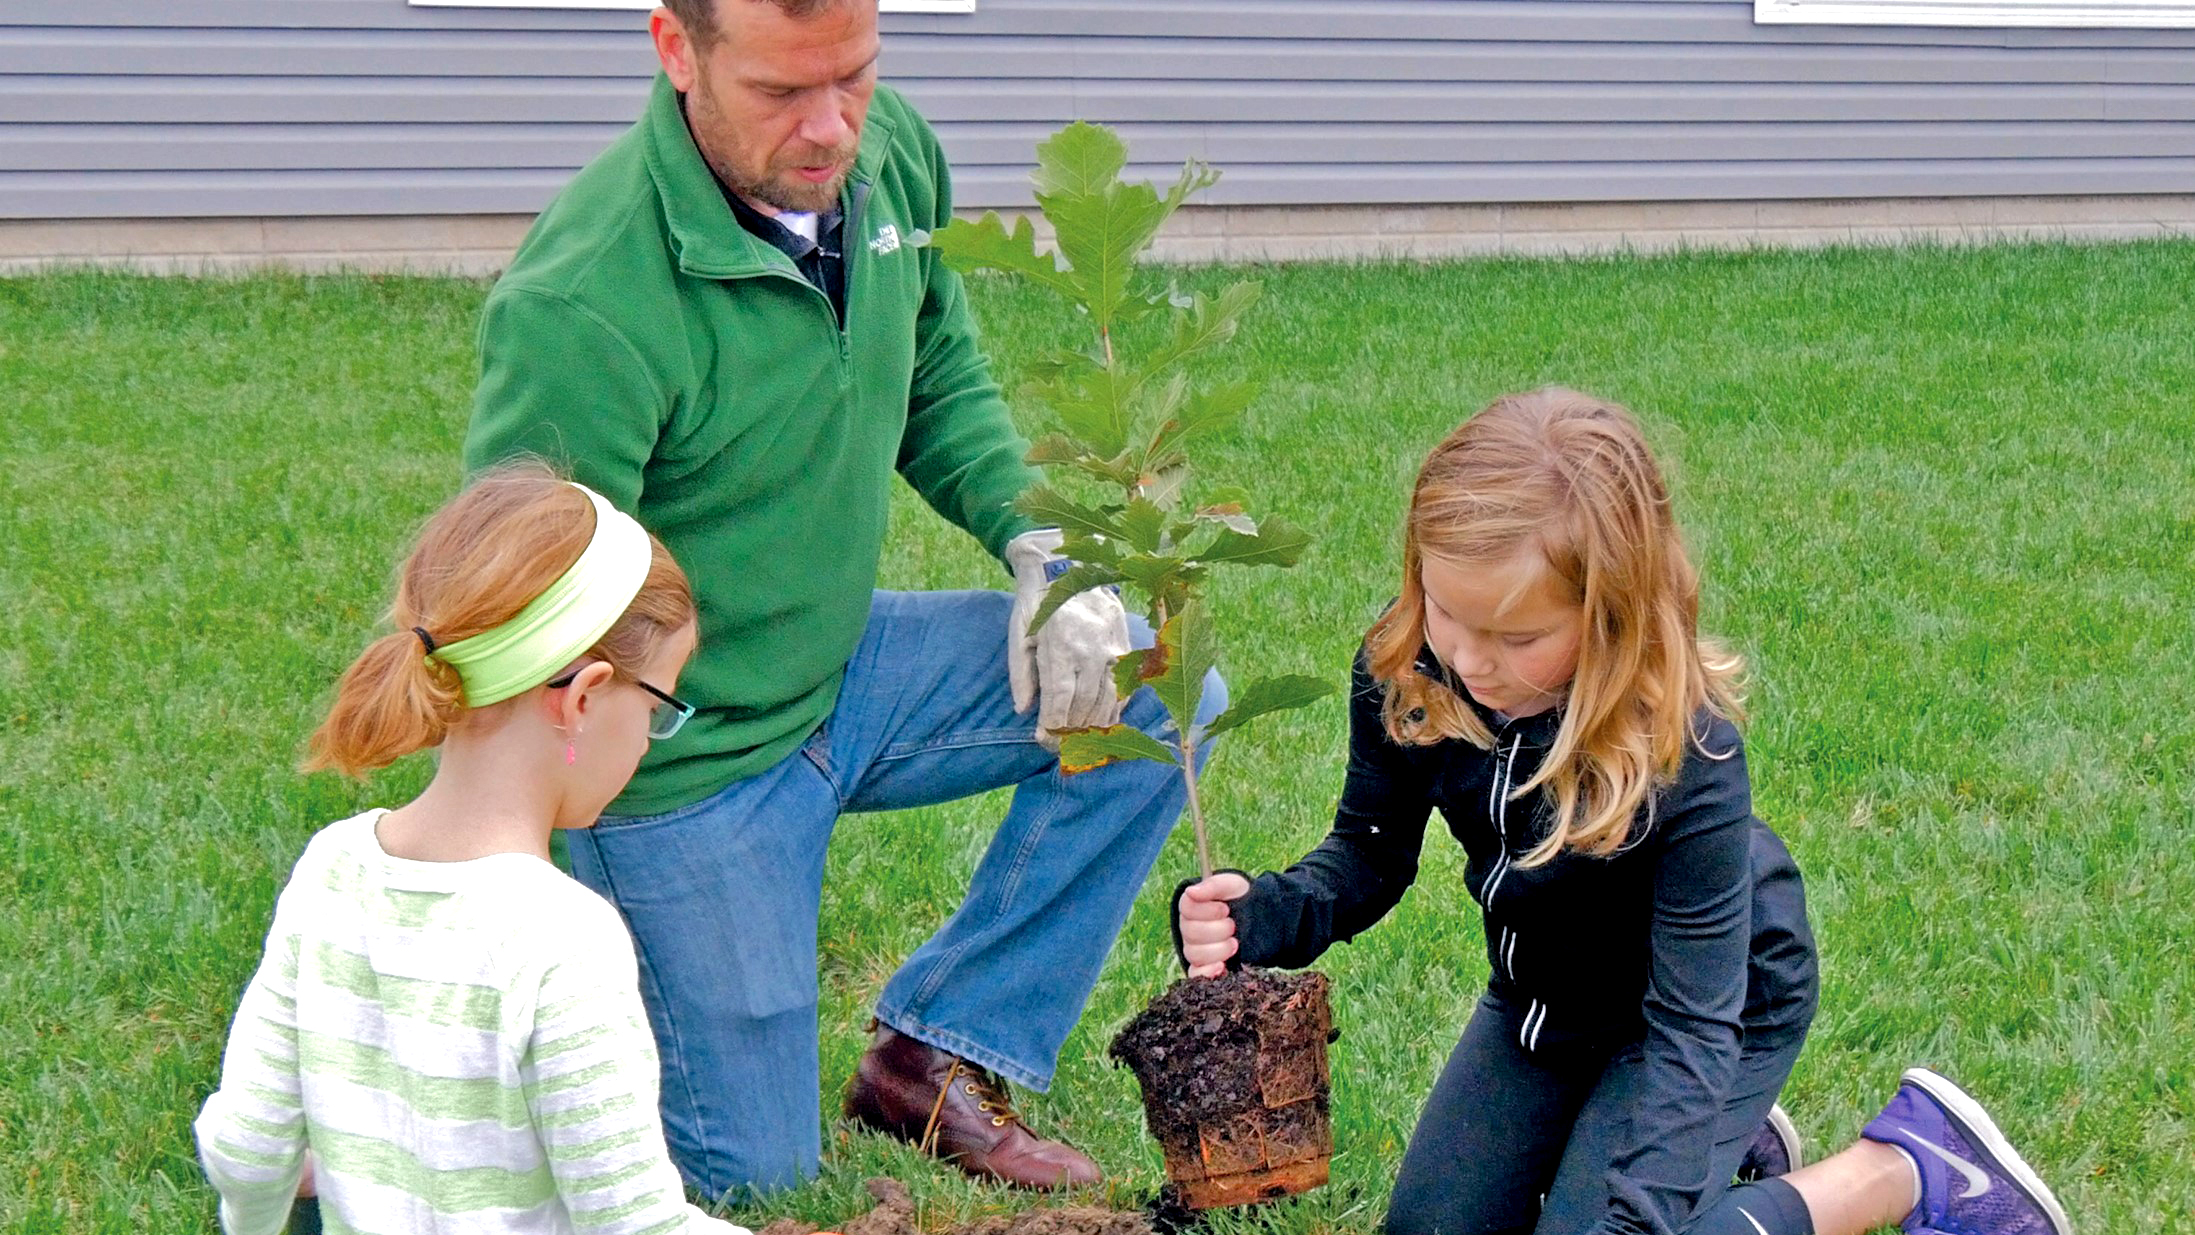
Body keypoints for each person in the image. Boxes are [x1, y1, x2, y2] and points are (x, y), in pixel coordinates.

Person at [462, 0, 1223, 1200]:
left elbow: (937, 371)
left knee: (1158, 696)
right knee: (758, 1177)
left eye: (854, 77)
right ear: (676, 49)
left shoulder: (892, 159)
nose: (829, 130)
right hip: (680, 763)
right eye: (778, 93)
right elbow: (513, 612)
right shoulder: (582, 301)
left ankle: (931, 1054)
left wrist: (1042, 541)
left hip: (839, 669)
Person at [1173, 389, 2071, 1235]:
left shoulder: (1687, 751)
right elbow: (1366, 856)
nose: (1471, 661)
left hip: (1707, 1012)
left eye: (1518, 637)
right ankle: (1714, 1145)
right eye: (1447, 610)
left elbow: (1692, 1026)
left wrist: (1636, 1215)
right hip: (1543, 1003)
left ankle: (1902, 1162)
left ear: (1613, 614)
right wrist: (1262, 913)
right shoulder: (1407, 667)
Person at [194, 465, 745, 1235]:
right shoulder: (562, 940)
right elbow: (633, 1223)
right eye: (658, 705)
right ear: (583, 697)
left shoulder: (332, 868)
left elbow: (247, 1144)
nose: (651, 742)